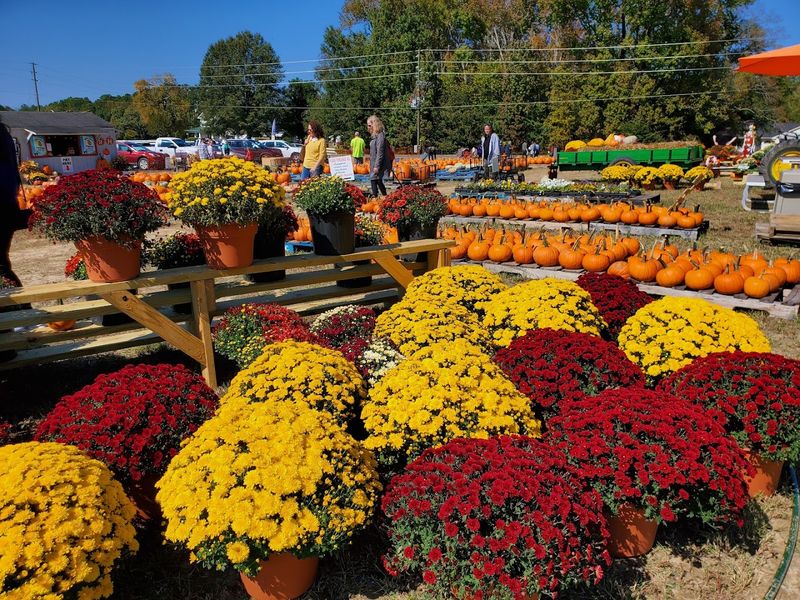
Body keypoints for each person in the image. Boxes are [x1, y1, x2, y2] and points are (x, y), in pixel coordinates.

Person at [0, 115, 29, 287]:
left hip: (2, 202)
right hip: (7, 202)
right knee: (1, 262)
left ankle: (17, 300)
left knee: (0, 265)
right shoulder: (4, 133)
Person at [367, 115, 388, 197]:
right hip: (373, 163)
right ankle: (384, 197)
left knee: (374, 180)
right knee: (377, 181)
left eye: (369, 125)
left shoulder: (380, 136)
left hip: (378, 163)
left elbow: (380, 152)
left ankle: (375, 198)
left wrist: (377, 166)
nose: (368, 127)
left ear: (374, 124)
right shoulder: (375, 136)